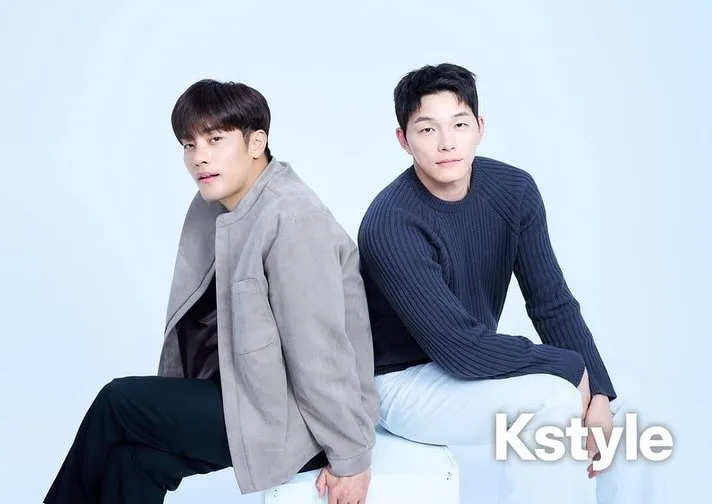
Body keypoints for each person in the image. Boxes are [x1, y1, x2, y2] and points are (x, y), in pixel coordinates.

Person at [43, 78, 379, 504]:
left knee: (118, 402)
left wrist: (351, 457)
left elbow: (321, 353)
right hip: (246, 396)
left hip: (297, 422)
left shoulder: (295, 221)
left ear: (256, 143)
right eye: (189, 144)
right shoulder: (216, 205)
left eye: (215, 139)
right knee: (134, 459)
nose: (199, 157)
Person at [356, 63, 664, 504]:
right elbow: (459, 347)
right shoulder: (390, 223)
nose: (446, 143)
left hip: (469, 364)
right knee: (554, 400)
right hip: (402, 384)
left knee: (621, 402)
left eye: (459, 124)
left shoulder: (513, 191)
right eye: (427, 129)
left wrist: (597, 386)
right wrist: (570, 367)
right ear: (404, 139)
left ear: (479, 128)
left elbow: (551, 302)